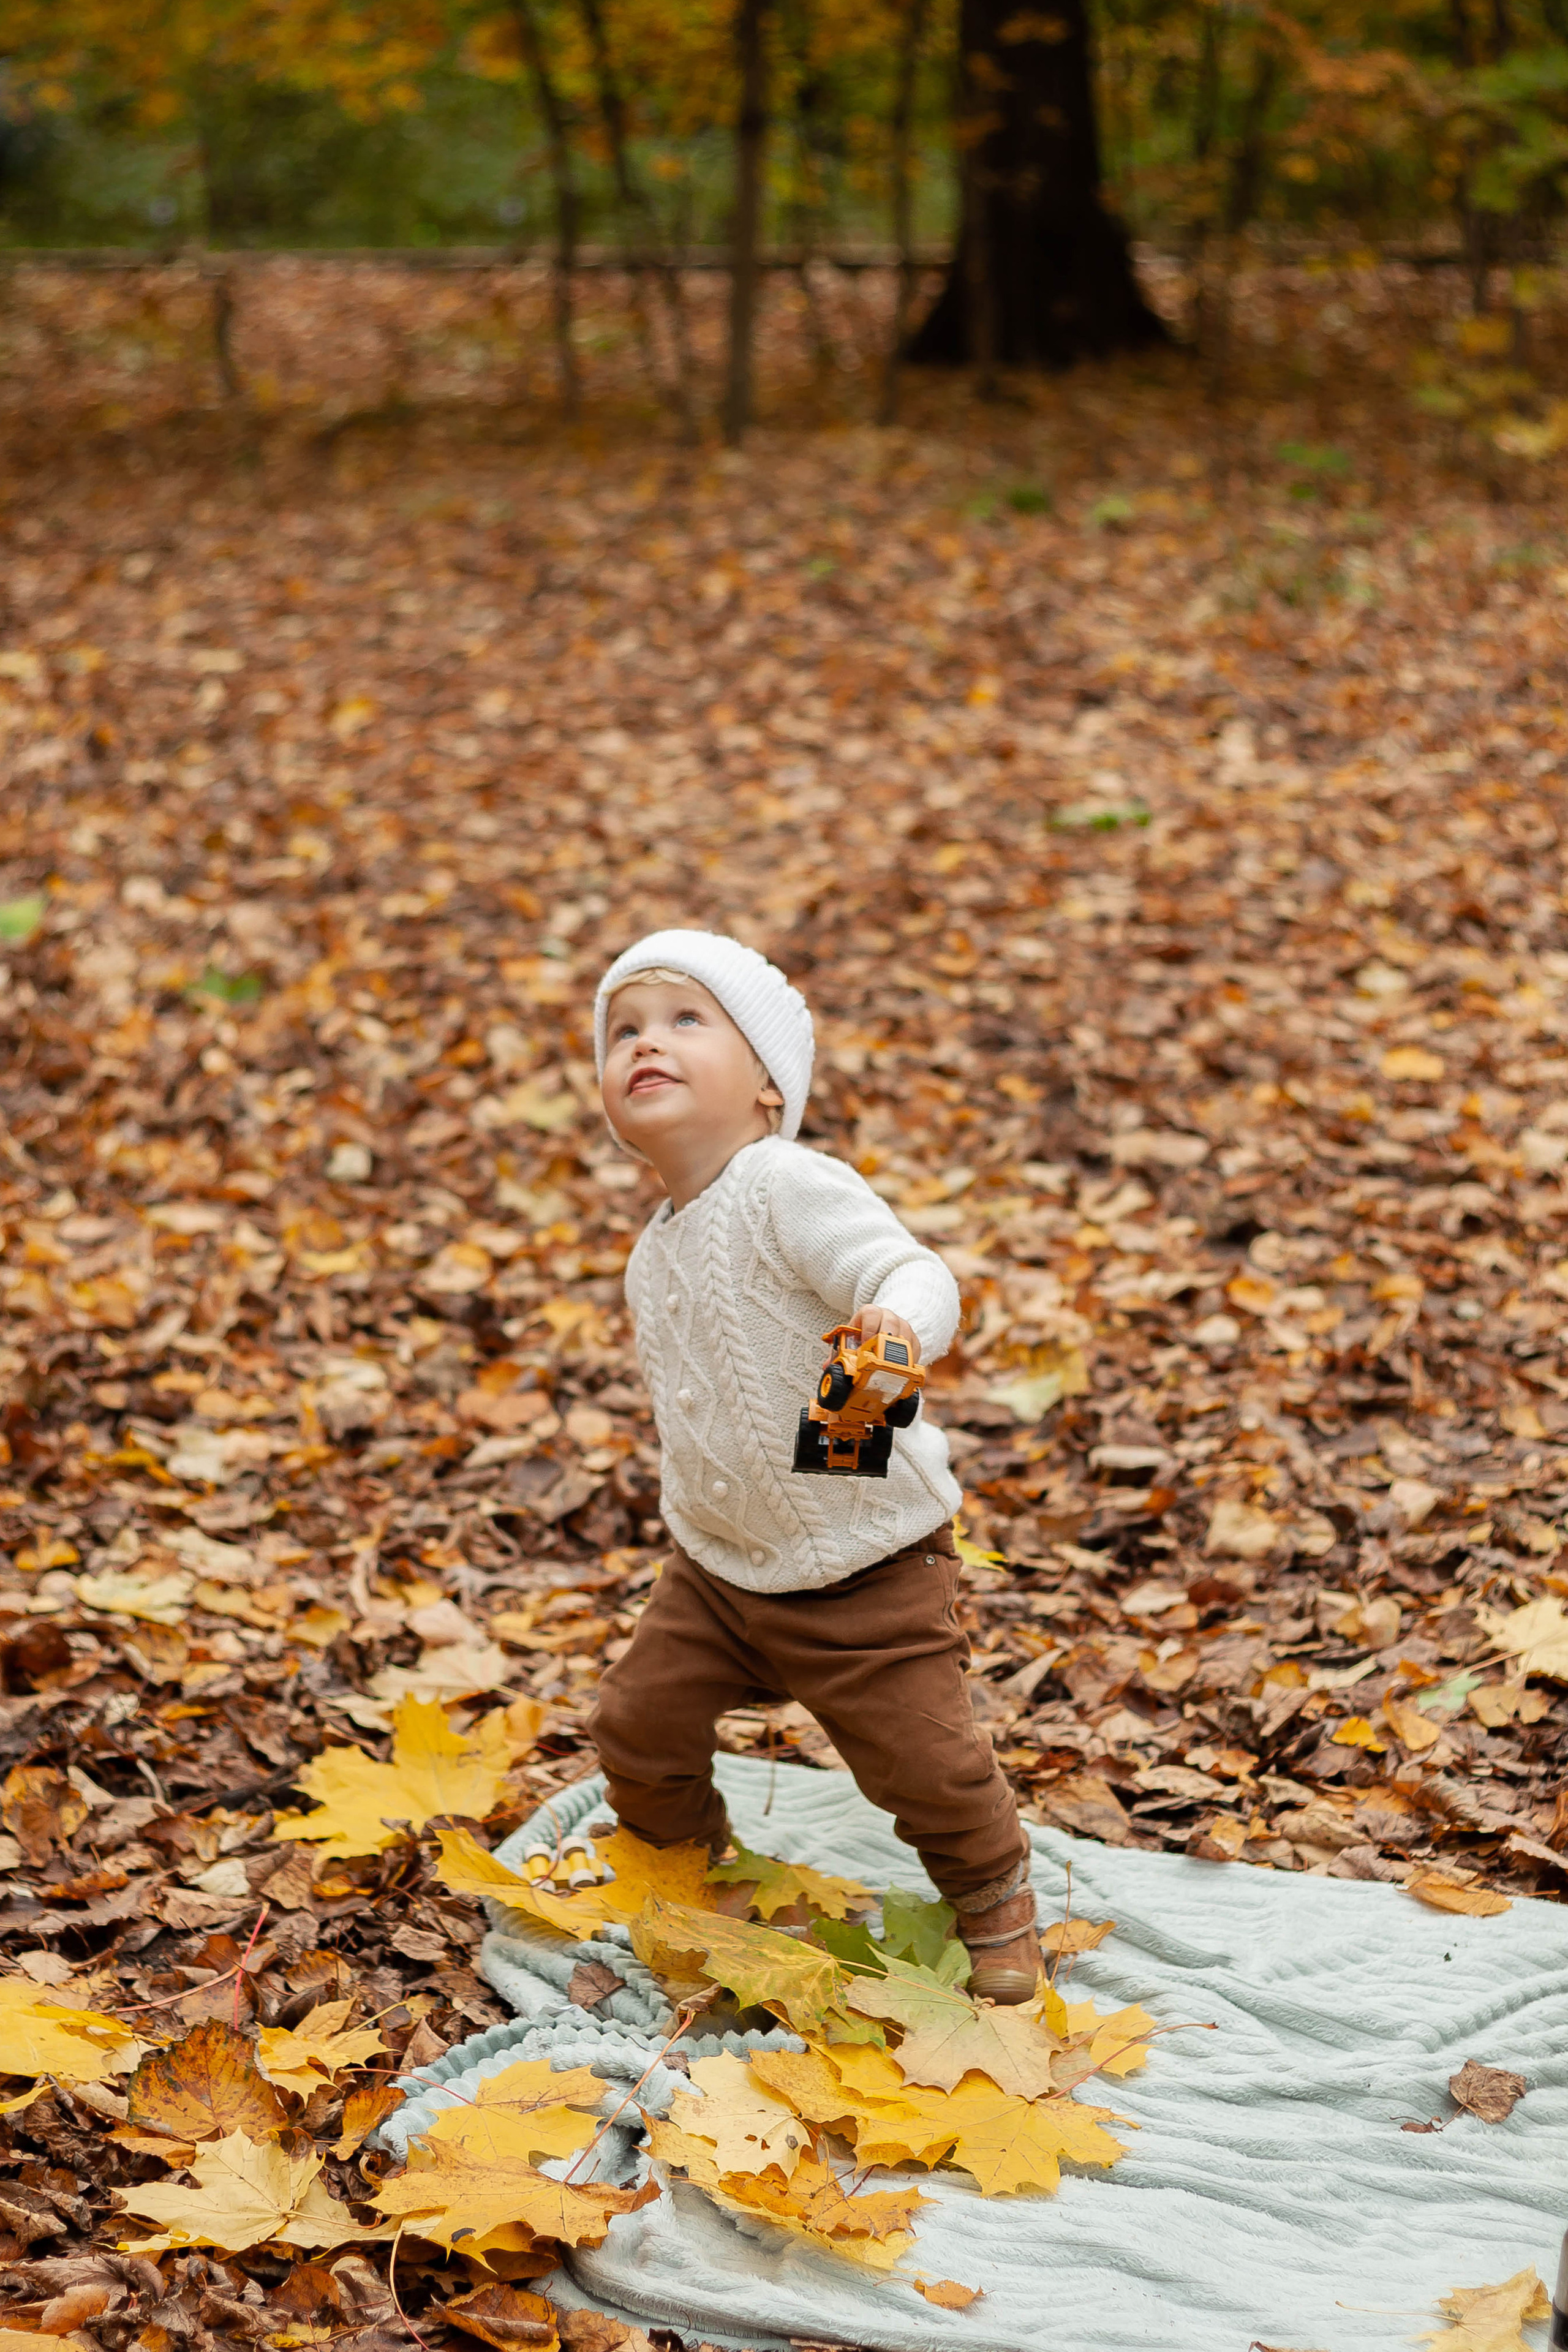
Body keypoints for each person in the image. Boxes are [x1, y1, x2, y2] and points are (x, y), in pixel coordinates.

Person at [586, 928, 1039, 2002]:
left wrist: (893, 1328)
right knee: (635, 1725)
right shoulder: (653, 1251)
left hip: (864, 1563)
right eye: (622, 1031)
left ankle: (994, 1899)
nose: (646, 1042)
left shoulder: (784, 1183)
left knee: (925, 1762)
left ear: (768, 1085)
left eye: (685, 1019)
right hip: (718, 1569)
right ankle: (698, 1872)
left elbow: (906, 1268)